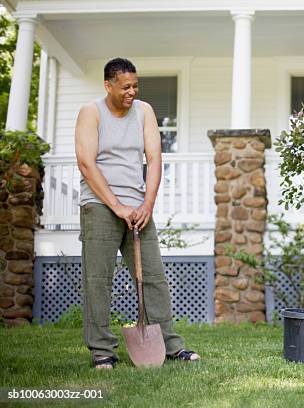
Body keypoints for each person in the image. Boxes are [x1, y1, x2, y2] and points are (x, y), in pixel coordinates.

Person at [75, 57, 200, 369]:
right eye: (125, 86)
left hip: (138, 208)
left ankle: (171, 345)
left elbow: (155, 159)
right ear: (108, 85)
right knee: (98, 279)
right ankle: (102, 350)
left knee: (154, 277)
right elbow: (86, 163)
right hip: (100, 205)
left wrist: (147, 204)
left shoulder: (144, 111)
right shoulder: (91, 113)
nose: (131, 91)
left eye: (135, 85)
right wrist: (116, 206)